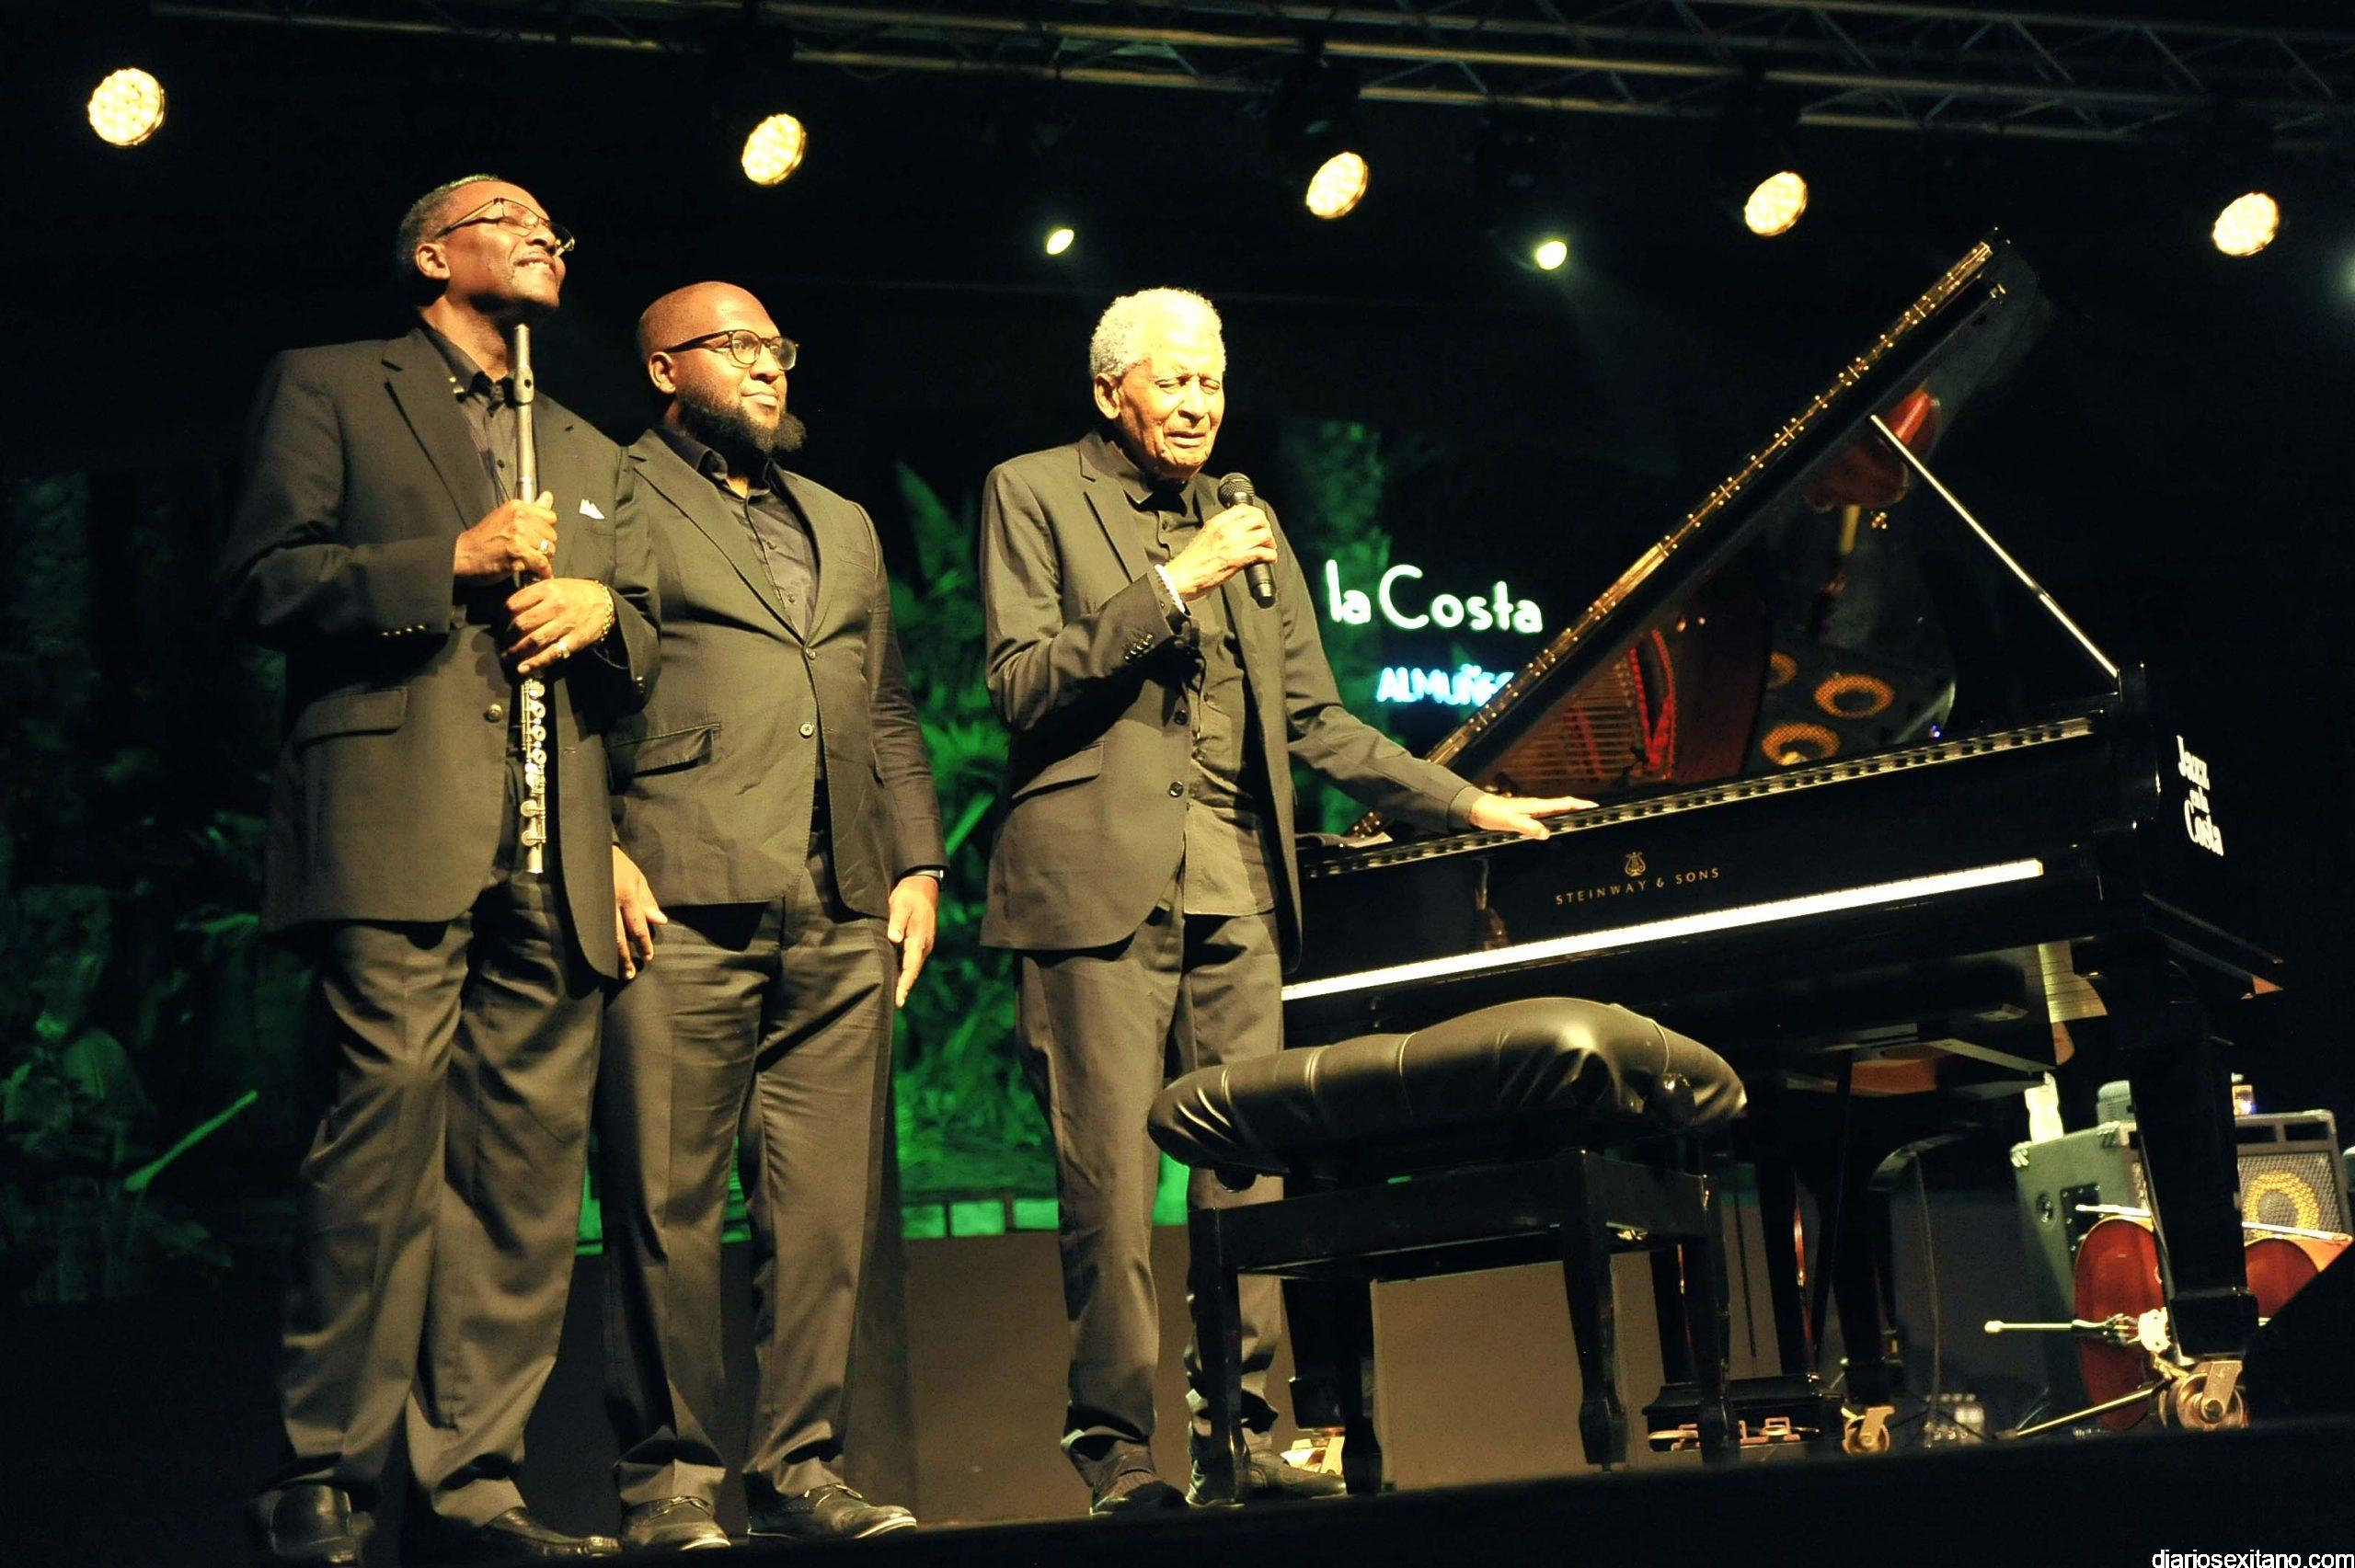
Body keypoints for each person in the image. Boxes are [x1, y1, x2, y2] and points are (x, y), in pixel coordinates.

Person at [976, 286, 1587, 1513]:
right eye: (1173, 380)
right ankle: (1117, 1454)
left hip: (1238, 889)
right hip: (1092, 892)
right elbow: (1020, 682)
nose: (1198, 402)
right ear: (1109, 391)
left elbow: (1315, 718)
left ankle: (1238, 1439)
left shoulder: (1247, 520)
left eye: (1212, 380)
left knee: (1246, 1179)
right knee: (1109, 1187)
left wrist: (1462, 802)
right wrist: (1171, 585)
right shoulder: (1033, 490)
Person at [220, 176, 659, 1562]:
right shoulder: (334, 384)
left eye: (553, 227)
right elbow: (262, 579)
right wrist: (446, 560)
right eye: (506, 215)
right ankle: (325, 1478)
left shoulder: (584, 443)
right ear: (431, 252)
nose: (543, 234)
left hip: (551, 847)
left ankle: (473, 1486)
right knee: (378, 1154)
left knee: (520, 1184)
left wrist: (605, 611)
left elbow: (647, 641)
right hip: (396, 825)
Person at [596, 281, 946, 1551]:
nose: (766, 366)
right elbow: (571, 691)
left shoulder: (840, 519)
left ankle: (800, 1467)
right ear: (663, 369)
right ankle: (671, 1486)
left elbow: (884, 702)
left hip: (842, 898)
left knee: (822, 1215)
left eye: (776, 347)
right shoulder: (616, 491)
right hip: (679, 888)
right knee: (666, 1207)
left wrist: (918, 864)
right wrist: (598, 850)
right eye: (734, 346)